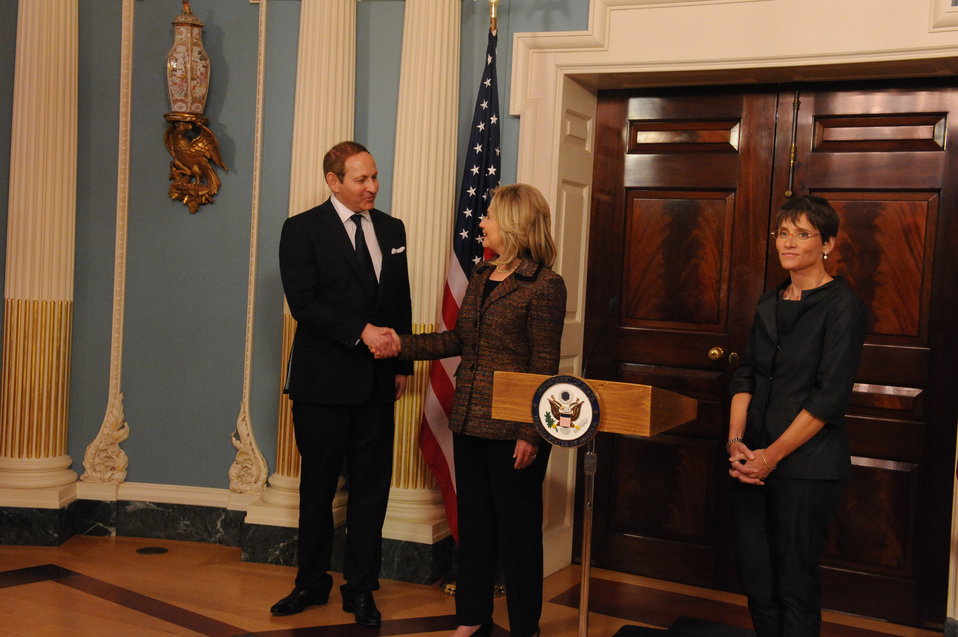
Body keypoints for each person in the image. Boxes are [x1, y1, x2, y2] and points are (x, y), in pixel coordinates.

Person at [377, 183, 565, 637]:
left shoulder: (544, 285)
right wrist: (402, 343)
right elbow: (457, 341)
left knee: (517, 535)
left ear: (514, 225)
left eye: (490, 217)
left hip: (514, 432)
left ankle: (525, 626)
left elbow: (543, 366)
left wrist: (530, 432)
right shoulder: (482, 276)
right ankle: (472, 617)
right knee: (475, 528)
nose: (482, 223)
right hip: (468, 420)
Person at [272, 141, 411, 627]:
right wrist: (360, 333)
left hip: (376, 386)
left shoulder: (393, 230)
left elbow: (399, 301)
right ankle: (310, 582)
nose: (372, 187)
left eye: (375, 177)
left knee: (371, 492)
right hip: (322, 387)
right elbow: (304, 304)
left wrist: (400, 366)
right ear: (333, 181)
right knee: (317, 490)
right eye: (361, 180)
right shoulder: (302, 229)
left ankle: (361, 589)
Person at [726, 194, 868, 636]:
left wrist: (772, 455)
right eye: (783, 233)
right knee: (757, 580)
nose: (788, 242)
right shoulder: (770, 302)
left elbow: (829, 398)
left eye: (802, 234)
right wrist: (736, 444)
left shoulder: (843, 306)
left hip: (806, 466)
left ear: (826, 243)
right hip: (750, 462)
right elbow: (746, 376)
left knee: (795, 584)